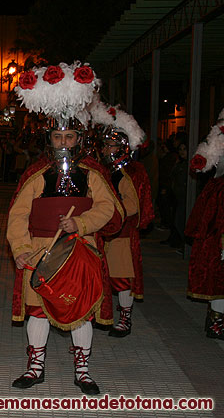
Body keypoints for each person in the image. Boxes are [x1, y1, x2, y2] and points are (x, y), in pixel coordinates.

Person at [8, 62, 124, 395]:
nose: (63, 140)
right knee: (38, 311)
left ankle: (83, 371)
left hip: (78, 251)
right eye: (57, 135)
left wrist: (81, 223)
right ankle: (35, 367)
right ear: (49, 137)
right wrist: (21, 249)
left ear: (79, 138)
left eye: (69, 135)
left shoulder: (91, 172)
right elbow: (17, 214)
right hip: (40, 252)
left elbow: (108, 209)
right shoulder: (36, 172)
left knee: (81, 312)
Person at [90, 97, 154, 337]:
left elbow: (134, 205)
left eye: (110, 145)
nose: (105, 149)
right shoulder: (102, 168)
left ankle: (125, 318)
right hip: (101, 231)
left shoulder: (134, 171)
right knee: (101, 275)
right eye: (104, 145)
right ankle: (102, 313)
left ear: (123, 146)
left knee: (121, 277)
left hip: (122, 233)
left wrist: (112, 213)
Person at [185, 109, 224, 339]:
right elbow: (203, 161)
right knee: (217, 268)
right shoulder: (218, 134)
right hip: (219, 206)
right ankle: (216, 319)